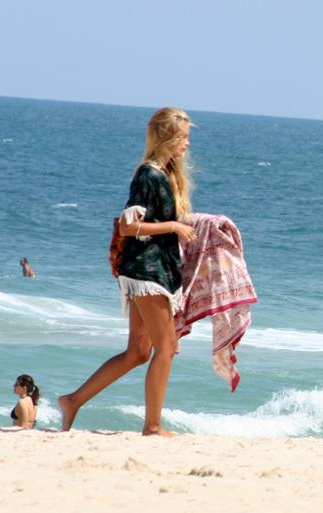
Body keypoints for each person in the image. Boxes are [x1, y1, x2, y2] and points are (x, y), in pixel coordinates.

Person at [59, 107, 196, 437]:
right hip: (146, 271)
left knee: (138, 351)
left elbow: (158, 222)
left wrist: (190, 224)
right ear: (166, 137)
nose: (187, 145)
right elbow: (128, 225)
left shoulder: (165, 176)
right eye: (183, 137)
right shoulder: (148, 175)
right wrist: (174, 225)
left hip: (151, 270)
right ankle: (152, 426)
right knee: (167, 348)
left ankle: (72, 400)